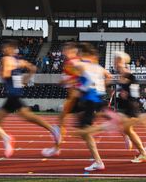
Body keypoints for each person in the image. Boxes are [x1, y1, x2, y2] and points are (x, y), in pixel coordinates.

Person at [0, 41, 60, 153]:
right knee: (22, 117)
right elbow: (32, 69)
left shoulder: (6, 59)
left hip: (13, 95)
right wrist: (24, 78)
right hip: (16, 93)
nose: (3, 50)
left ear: (11, 49)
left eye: (5, 47)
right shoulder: (20, 61)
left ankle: (52, 129)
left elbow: (6, 75)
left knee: (3, 119)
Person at [72, 42, 111, 172]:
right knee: (85, 133)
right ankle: (98, 161)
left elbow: (87, 80)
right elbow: (108, 76)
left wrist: (81, 89)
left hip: (90, 100)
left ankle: (108, 126)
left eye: (78, 53)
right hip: (96, 99)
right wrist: (101, 88)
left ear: (83, 53)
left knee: (82, 132)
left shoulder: (81, 64)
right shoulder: (98, 67)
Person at [42, 42, 81, 158]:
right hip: (75, 96)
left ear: (72, 51)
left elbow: (79, 78)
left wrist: (65, 82)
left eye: (66, 50)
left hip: (75, 97)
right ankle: (56, 148)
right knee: (61, 124)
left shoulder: (72, 63)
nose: (64, 52)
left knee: (60, 125)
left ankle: (56, 148)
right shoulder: (75, 62)